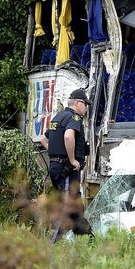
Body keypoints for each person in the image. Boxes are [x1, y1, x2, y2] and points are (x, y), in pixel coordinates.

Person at [40, 88, 94, 241]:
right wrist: (71, 160)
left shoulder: (58, 117)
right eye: (85, 104)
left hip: (56, 167)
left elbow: (44, 140)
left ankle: (87, 239)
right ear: (77, 103)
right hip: (67, 170)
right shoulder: (74, 118)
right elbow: (69, 136)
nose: (87, 108)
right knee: (68, 206)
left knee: (74, 206)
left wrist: (56, 154)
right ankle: (54, 243)